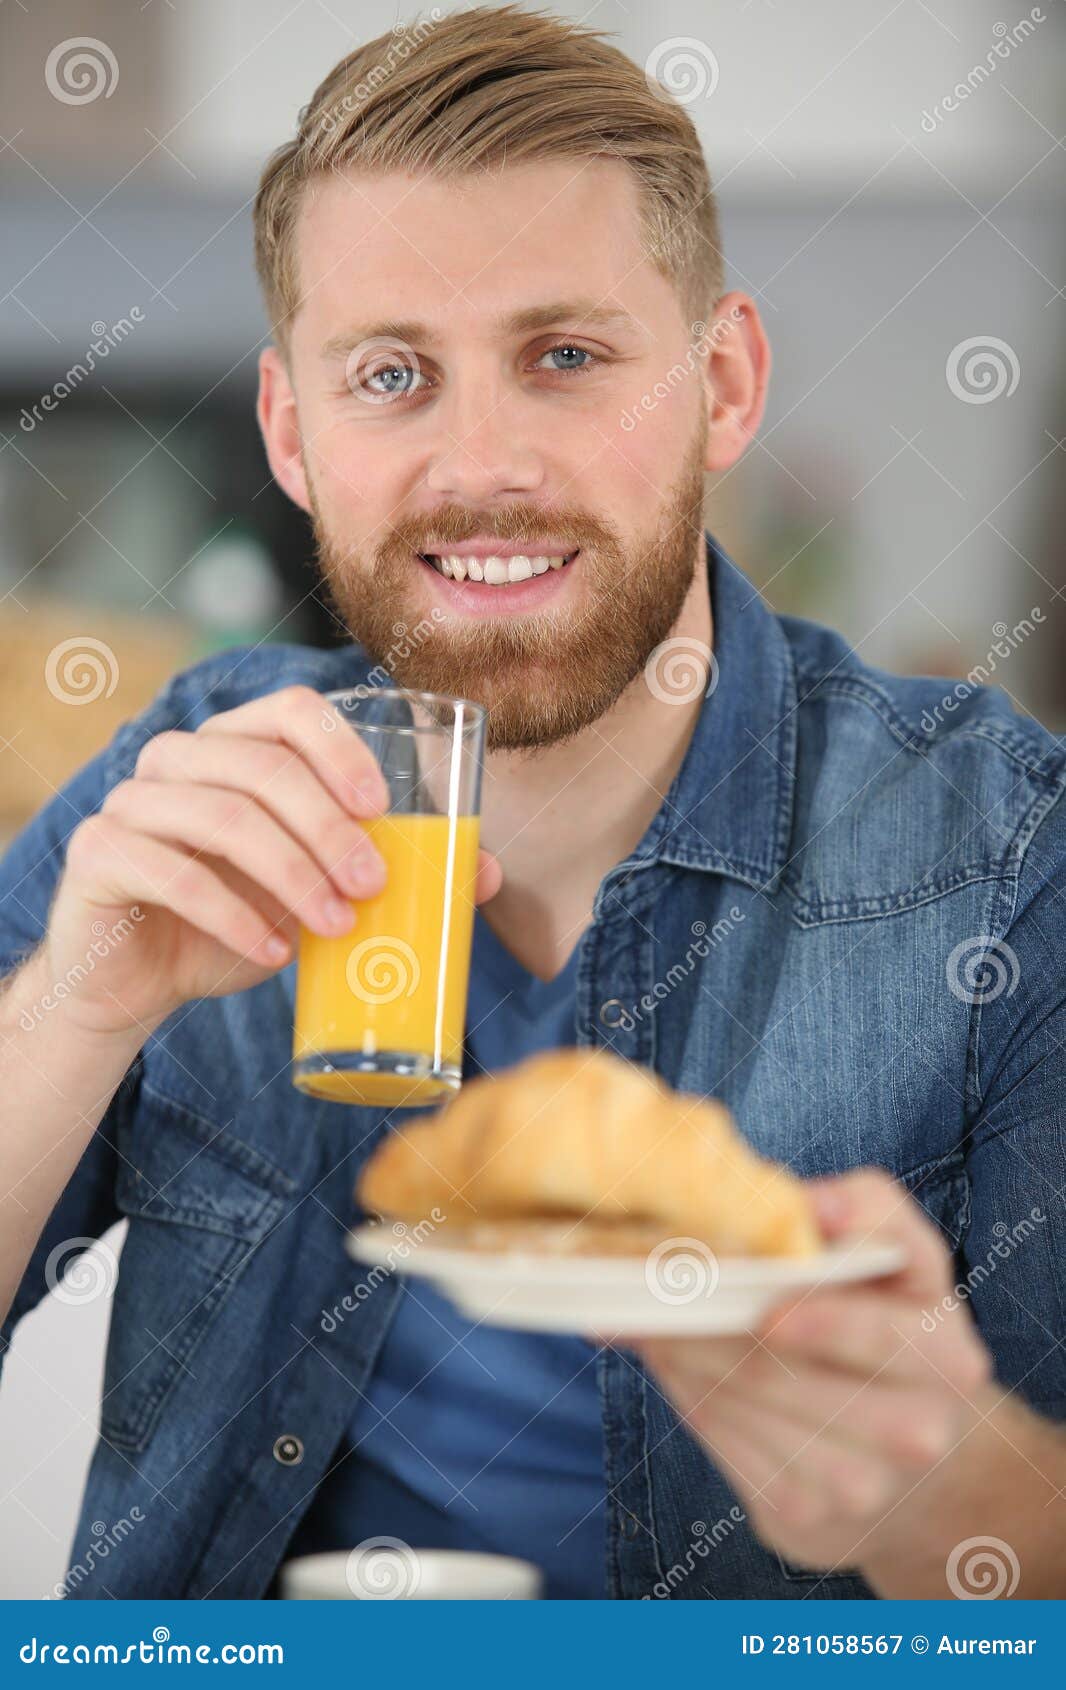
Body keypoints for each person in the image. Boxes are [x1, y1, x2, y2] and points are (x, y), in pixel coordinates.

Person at [1, 5, 1064, 1600]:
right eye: (391, 375)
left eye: (564, 357)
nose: (481, 463)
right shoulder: (185, 788)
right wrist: (74, 1009)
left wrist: (953, 1491)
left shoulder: (1004, 854)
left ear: (721, 383)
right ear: (293, 432)